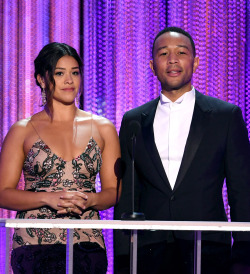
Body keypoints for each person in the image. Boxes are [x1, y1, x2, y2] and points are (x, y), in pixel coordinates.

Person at [114, 27, 250, 274]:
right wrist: (124, 255)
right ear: (152, 65)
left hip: (207, 246)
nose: (172, 60)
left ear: (195, 62)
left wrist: (244, 251)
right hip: (150, 249)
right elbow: (128, 194)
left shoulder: (225, 116)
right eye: (164, 53)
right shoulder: (133, 120)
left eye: (181, 52)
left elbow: (241, 189)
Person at [0, 42, 121, 273]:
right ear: (41, 79)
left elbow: (113, 191)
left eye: (75, 73)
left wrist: (90, 200)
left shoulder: (103, 127)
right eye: (59, 73)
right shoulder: (22, 130)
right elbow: (3, 193)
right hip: (34, 243)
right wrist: (48, 198)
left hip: (86, 241)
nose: (69, 80)